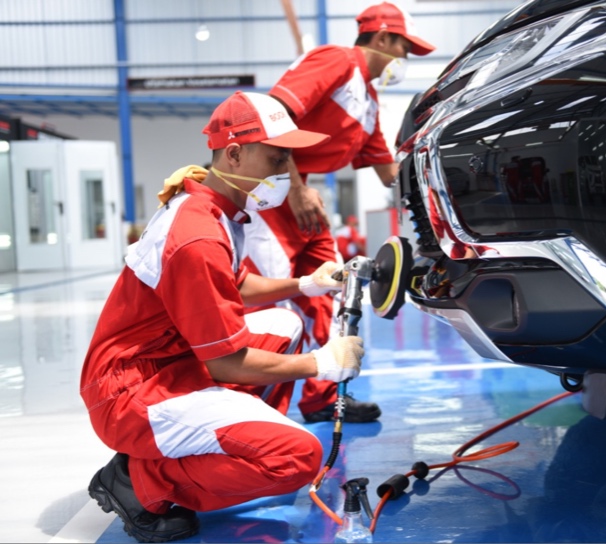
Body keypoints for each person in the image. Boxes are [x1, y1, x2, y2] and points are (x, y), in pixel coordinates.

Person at [80, 91, 366, 543]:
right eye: (276, 158)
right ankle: (139, 483)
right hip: (131, 393)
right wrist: (321, 364)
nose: (285, 172)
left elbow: (237, 283)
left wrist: (305, 284)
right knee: (297, 458)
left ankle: (224, 443)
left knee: (286, 324)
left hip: (166, 362)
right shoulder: (197, 235)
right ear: (234, 154)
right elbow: (225, 363)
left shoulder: (213, 209)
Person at [242, 2, 435, 423]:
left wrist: (441, 176)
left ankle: (322, 398)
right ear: (382, 38)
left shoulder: (368, 101)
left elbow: (389, 171)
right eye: (404, 48)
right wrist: (296, 188)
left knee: (332, 288)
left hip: (300, 196)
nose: (404, 58)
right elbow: (274, 113)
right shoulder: (336, 61)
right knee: (269, 301)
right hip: (268, 194)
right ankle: (241, 407)